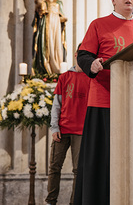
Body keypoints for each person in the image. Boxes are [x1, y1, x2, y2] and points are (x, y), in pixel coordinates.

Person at [73, 0, 133, 205]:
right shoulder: (99, 24)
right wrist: (93, 64)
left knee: (132, 157)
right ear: (113, 0)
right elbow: (83, 55)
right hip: (104, 101)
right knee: (102, 159)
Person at [45, 43, 90, 205]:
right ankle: (51, 201)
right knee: (54, 167)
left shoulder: (92, 79)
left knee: (78, 170)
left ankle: (74, 202)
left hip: (81, 131)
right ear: (77, 54)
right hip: (62, 130)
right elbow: (56, 105)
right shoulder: (64, 77)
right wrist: (54, 127)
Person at [32, 0, 67, 75]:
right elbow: (39, 12)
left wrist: (62, 19)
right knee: (47, 47)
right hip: (46, 26)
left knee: (56, 48)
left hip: (55, 26)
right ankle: (46, 68)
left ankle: (56, 69)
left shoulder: (58, 1)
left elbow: (62, 16)